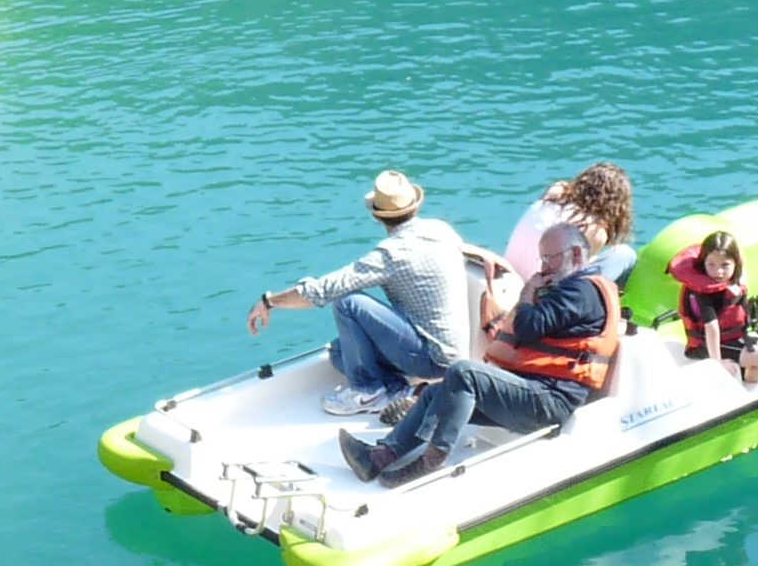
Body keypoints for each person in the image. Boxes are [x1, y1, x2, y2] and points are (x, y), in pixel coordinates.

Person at [341, 219, 622, 486]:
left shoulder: (581, 291)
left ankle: (432, 459)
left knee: (464, 372)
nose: (545, 267)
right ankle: (378, 458)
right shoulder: (567, 287)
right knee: (436, 393)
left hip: (549, 400)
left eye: (550, 258)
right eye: (542, 260)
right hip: (533, 390)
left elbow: (527, 327)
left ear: (575, 253)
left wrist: (528, 292)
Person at [247, 172, 497, 416]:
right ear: (415, 206)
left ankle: (368, 392)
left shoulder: (390, 254)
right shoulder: (441, 230)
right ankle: (397, 390)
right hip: (451, 351)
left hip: (432, 357)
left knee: (348, 303)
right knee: (339, 353)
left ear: (377, 216)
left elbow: (324, 290)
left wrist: (270, 301)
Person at [504, 162, 638, 284]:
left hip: (510, 277)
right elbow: (572, 279)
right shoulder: (594, 230)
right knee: (625, 254)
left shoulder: (554, 194)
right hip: (538, 295)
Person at [671, 228, 758, 363]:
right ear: (703, 262)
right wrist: (718, 364)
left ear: (735, 264)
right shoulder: (703, 291)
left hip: (734, 337)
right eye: (711, 265)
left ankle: (746, 376)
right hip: (705, 347)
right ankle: (742, 378)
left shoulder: (735, 281)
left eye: (725, 265)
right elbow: (711, 328)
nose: (719, 272)